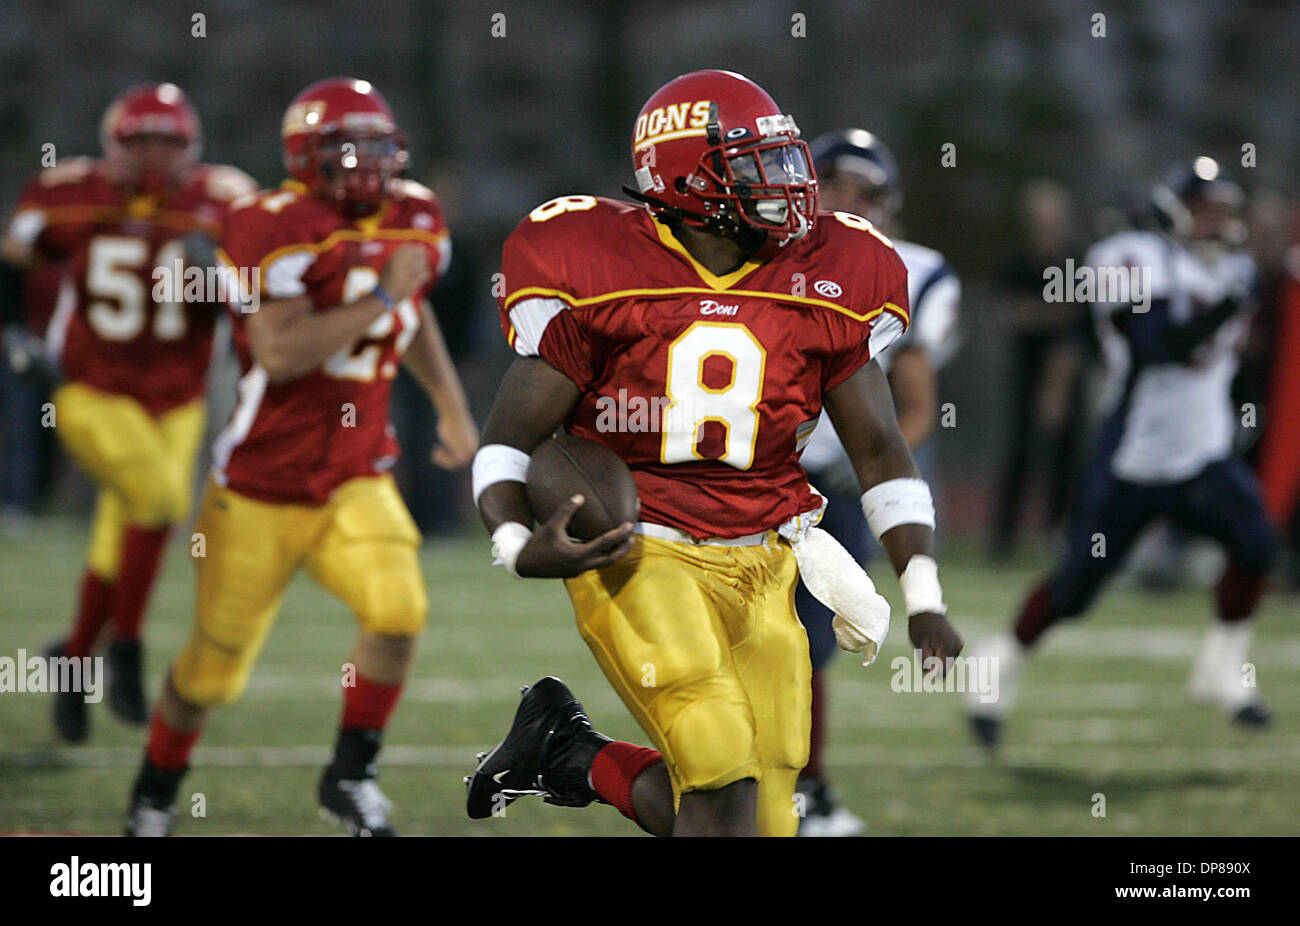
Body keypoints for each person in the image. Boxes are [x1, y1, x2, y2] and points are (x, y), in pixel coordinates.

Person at [464, 70, 962, 837]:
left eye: (785, 160)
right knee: (720, 770)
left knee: (761, 818)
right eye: (756, 165)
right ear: (687, 178)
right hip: (641, 550)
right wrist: (514, 544)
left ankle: (566, 753)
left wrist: (924, 594)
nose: (789, 184)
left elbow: (881, 449)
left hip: (766, 558)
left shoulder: (830, 270)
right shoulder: (600, 268)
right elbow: (509, 437)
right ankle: (566, 752)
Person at [123, 77, 479, 836]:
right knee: (209, 675)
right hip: (259, 487)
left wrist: (451, 406)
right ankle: (154, 793)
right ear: (303, 159)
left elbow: (409, 318)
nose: (367, 165)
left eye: (378, 147)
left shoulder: (416, 213)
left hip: (354, 475)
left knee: (399, 613)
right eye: (345, 149)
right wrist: (384, 297)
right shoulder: (267, 221)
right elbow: (281, 351)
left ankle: (350, 778)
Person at [967, 157, 1278, 747]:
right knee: (1076, 588)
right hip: (1133, 458)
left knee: (1256, 544)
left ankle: (1222, 666)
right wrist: (1230, 305)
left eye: (1224, 212)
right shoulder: (1135, 257)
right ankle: (997, 666)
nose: (1218, 223)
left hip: (1204, 454)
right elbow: (1157, 347)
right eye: (1206, 210)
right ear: (1175, 211)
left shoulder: (1230, 268)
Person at [0, 83, 257, 740]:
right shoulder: (69, 191)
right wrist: (16, 331)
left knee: (125, 536)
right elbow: (16, 251)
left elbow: (258, 284)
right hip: (91, 390)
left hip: (177, 399)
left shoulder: (221, 199)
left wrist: (219, 274)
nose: (151, 155)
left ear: (191, 148)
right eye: (139, 140)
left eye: (165, 142)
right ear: (113, 143)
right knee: (162, 503)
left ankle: (73, 656)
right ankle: (126, 649)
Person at [790, 128, 960, 836]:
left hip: (827, 483)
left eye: (863, 192)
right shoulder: (765, 253)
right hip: (732, 476)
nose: (846, 203)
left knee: (806, 641)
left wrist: (864, 461)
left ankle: (803, 788)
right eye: (834, 186)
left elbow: (909, 415)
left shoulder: (907, 271)